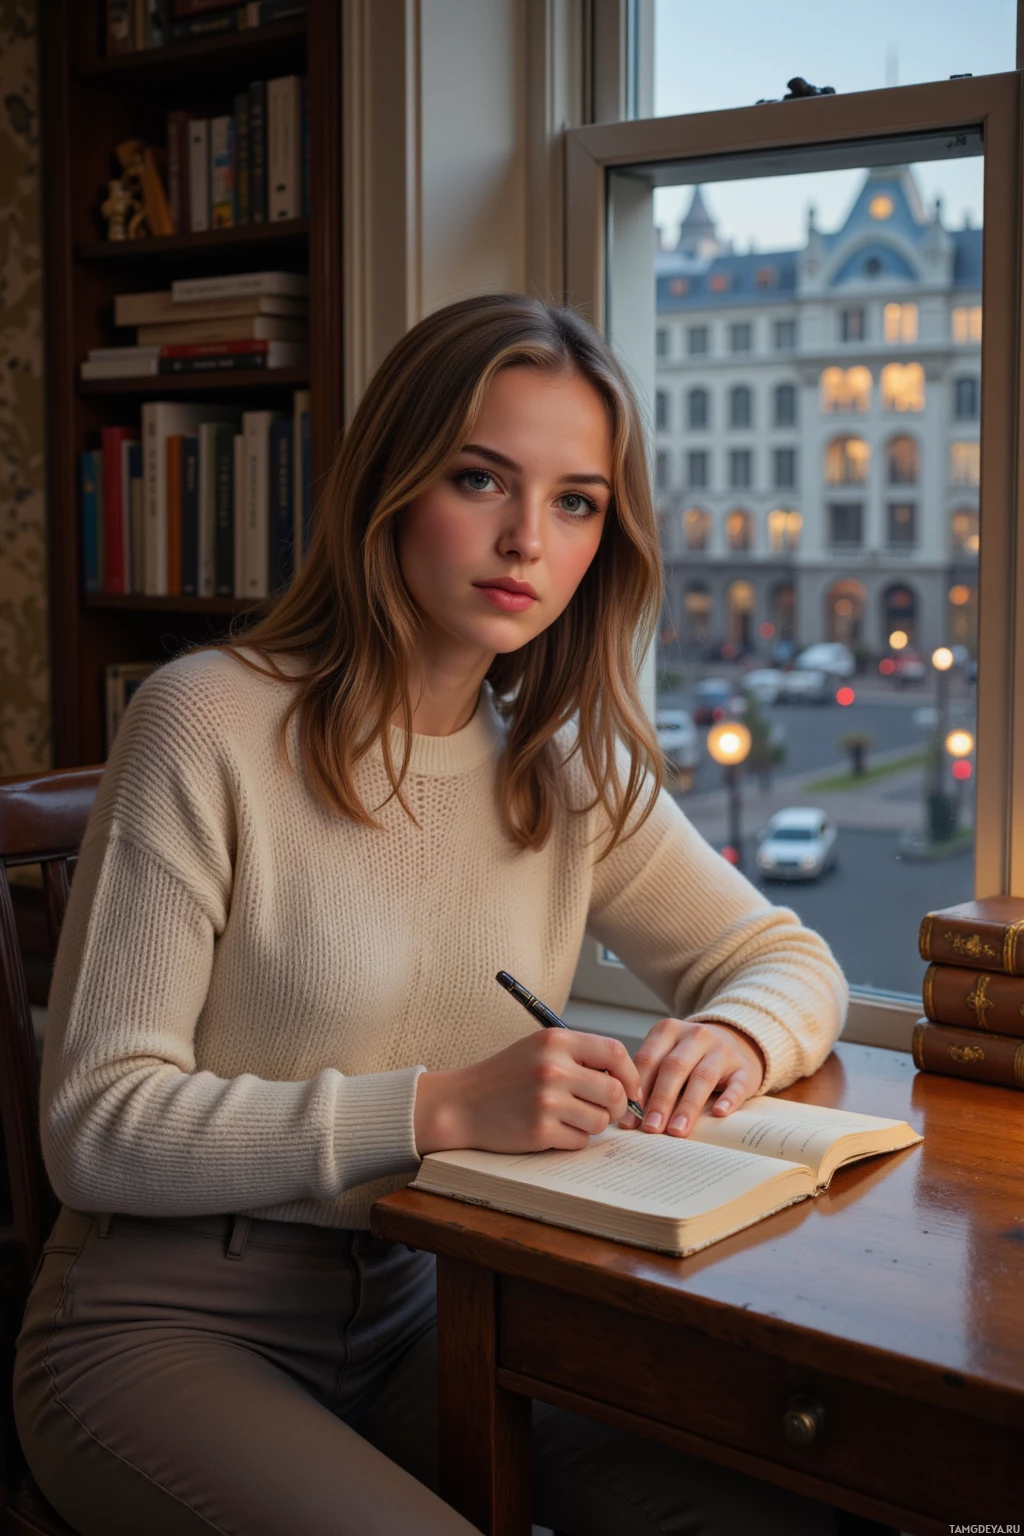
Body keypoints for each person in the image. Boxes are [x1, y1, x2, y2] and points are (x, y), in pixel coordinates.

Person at [14, 294, 849, 1535]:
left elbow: (783, 958)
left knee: (780, 1514)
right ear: (394, 484)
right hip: (163, 1326)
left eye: (575, 502)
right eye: (480, 479)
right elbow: (96, 1127)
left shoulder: (560, 774)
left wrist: (730, 1038)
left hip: (433, 1311)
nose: (526, 540)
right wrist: (440, 1106)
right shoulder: (206, 723)